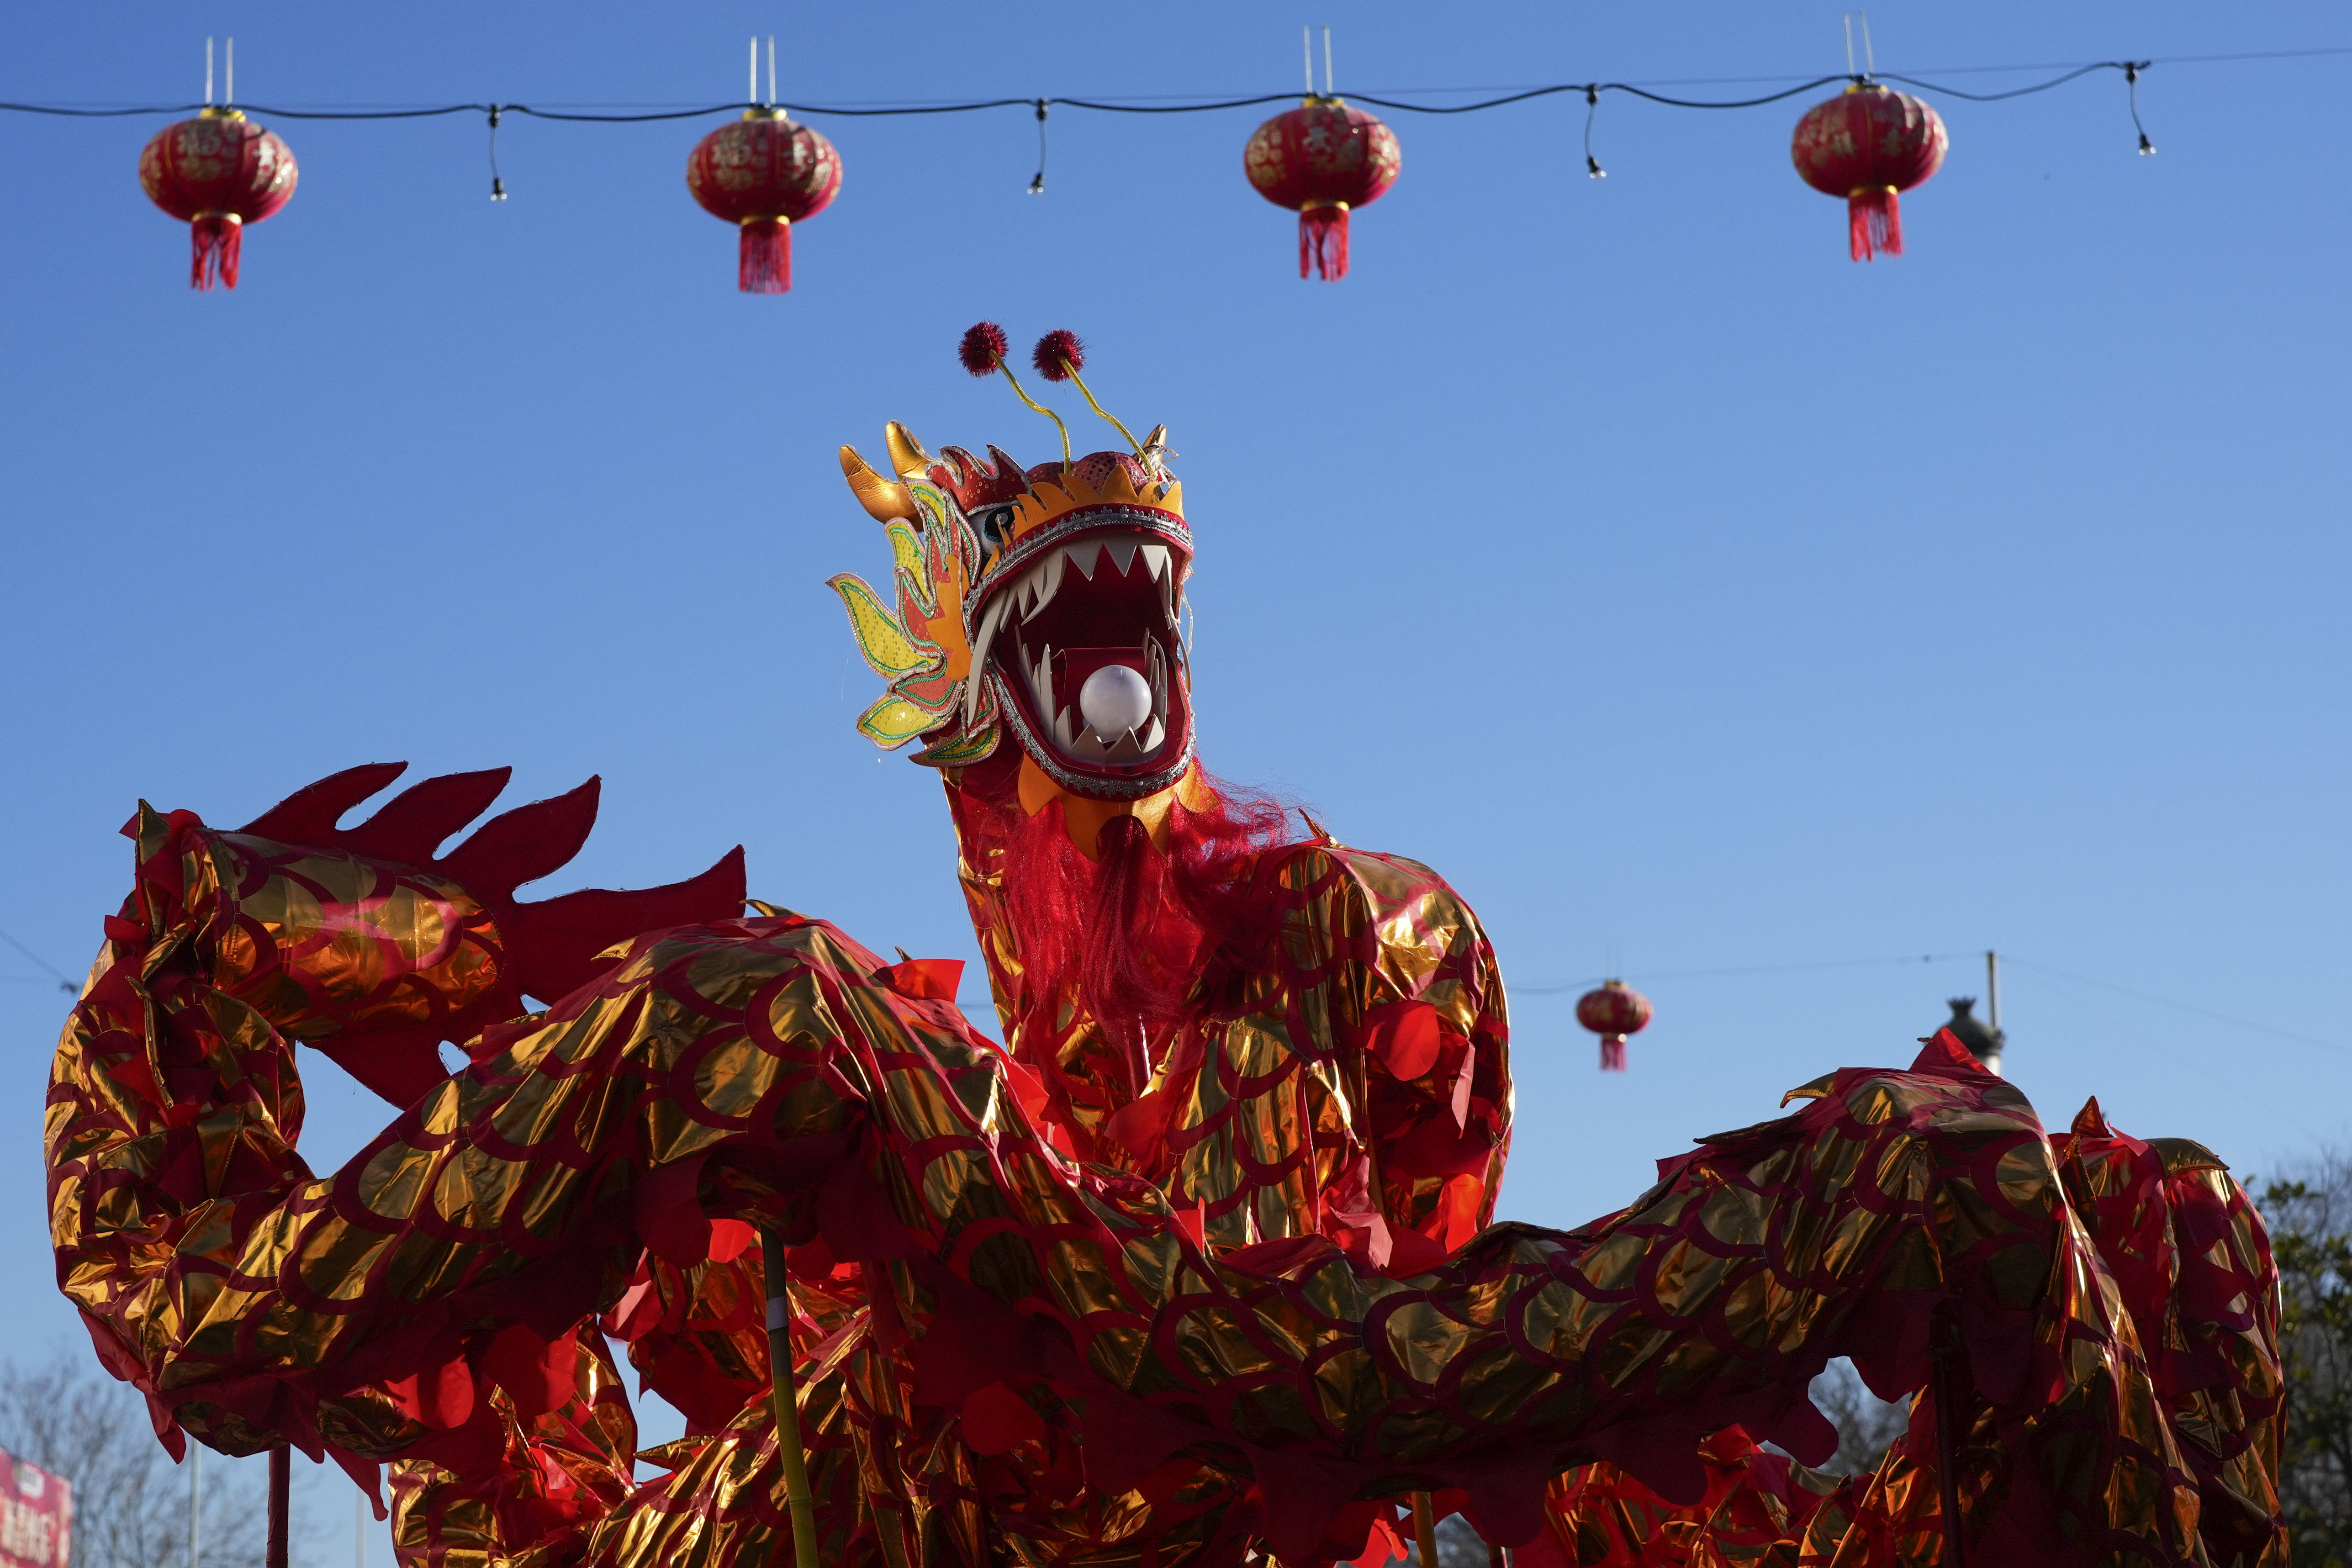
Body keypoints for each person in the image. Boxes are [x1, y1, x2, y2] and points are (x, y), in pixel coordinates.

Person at [44, 333, 2281, 1568]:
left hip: (1331, 1373)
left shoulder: (1350, 925)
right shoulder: (871, 1154)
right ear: (972, 702)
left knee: (2034, 1177)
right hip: (1014, 1375)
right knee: (773, 1025)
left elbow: (1433, 1193)